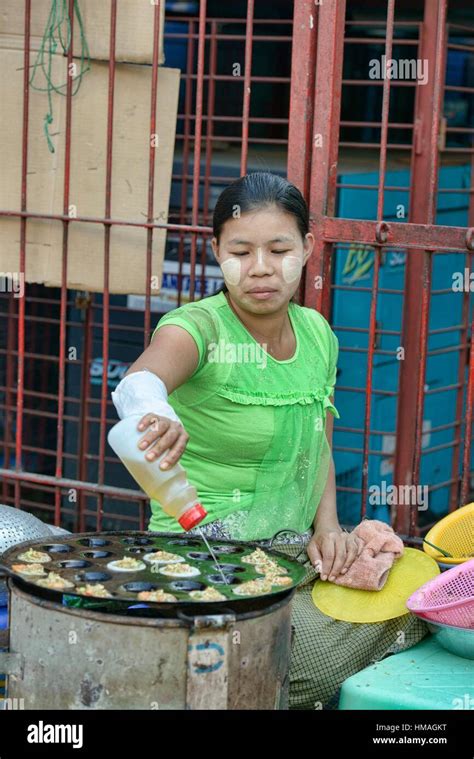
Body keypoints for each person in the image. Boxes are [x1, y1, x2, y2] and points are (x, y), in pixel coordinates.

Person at [112, 171, 429, 709]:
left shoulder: (316, 335)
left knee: (421, 590)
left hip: (295, 557)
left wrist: (329, 527)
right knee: (288, 662)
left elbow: (318, 435)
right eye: (240, 251)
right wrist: (154, 412)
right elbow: (139, 383)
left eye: (279, 249)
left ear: (306, 249)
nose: (260, 268)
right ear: (217, 253)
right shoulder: (200, 329)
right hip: (209, 562)